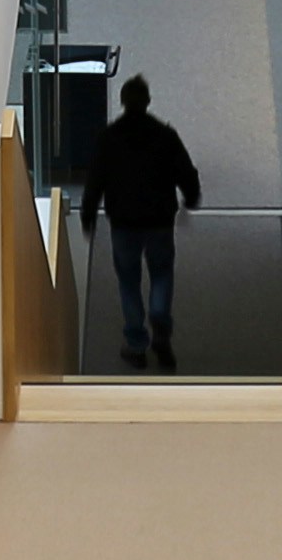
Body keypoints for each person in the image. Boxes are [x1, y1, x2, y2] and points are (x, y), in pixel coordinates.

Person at [79, 69, 200, 370]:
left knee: (128, 281)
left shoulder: (109, 138)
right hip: (159, 221)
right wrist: (191, 197)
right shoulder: (165, 136)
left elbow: (95, 181)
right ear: (148, 101)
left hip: (124, 223)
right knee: (162, 273)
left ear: (122, 102)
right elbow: (185, 171)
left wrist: (88, 215)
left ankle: (136, 343)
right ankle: (161, 325)